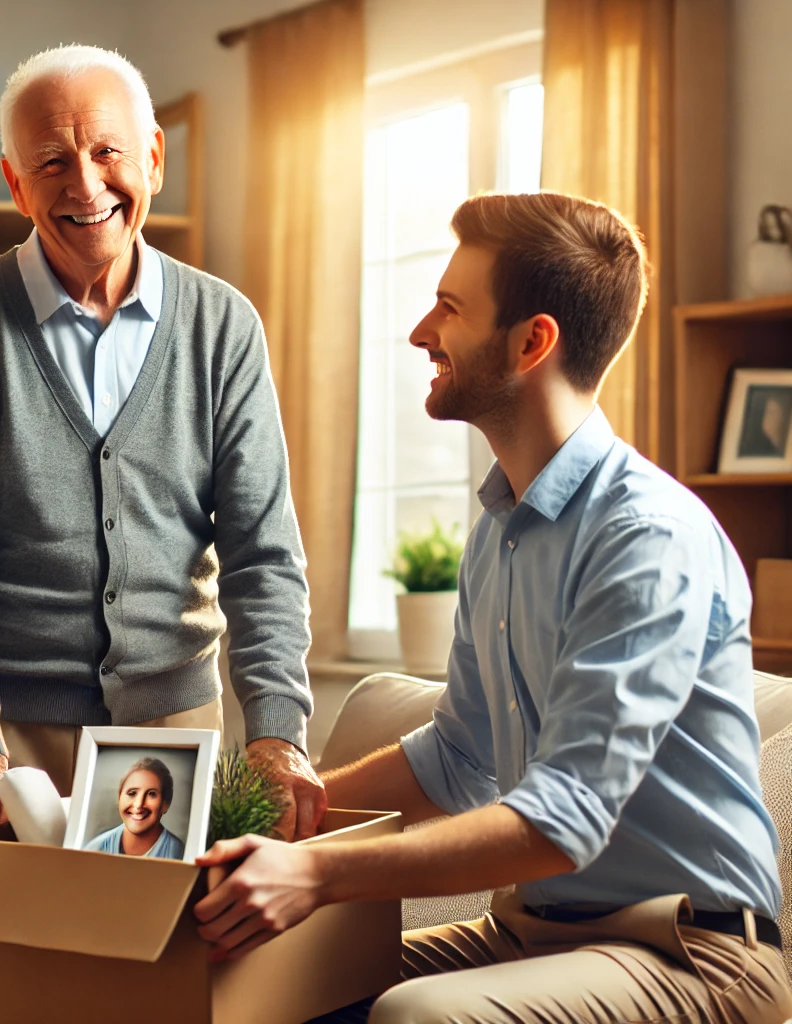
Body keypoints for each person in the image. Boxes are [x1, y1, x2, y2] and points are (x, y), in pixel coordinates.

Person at [193, 192, 792, 1023]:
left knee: (419, 1017)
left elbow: (562, 821)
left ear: (531, 343)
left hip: (693, 954)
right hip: (535, 935)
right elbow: (459, 756)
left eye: (449, 307)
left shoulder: (646, 539)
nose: (419, 332)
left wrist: (318, 875)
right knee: (253, 981)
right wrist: (290, 816)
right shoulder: (503, 528)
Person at [0, 45, 325, 1022]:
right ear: (12, 178)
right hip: (7, 738)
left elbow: (262, 554)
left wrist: (278, 731)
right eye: (51, 161)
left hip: (171, 732)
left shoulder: (223, 327)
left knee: (169, 995)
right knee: (11, 995)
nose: (86, 185)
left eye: (108, 153)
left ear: (155, 158)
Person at [85, 757, 185, 859]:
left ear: (165, 804)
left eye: (151, 794)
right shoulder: (96, 848)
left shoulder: (178, 852)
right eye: (132, 793)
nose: (138, 804)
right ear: (119, 798)